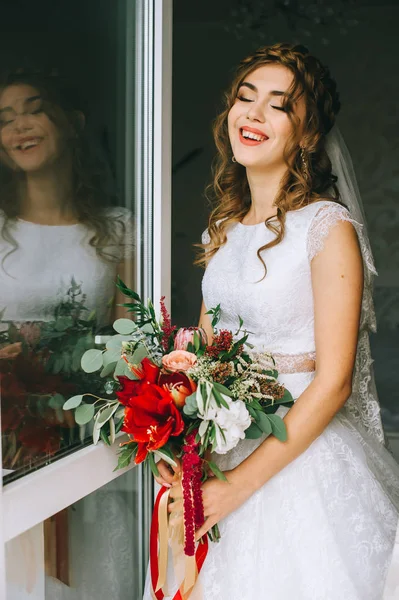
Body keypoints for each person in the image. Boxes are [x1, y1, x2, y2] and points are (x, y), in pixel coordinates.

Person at [146, 43, 399, 600]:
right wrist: (183, 449)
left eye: (278, 105)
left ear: (307, 133)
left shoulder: (327, 228)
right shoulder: (225, 229)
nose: (254, 114)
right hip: (223, 446)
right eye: (245, 97)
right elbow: (205, 361)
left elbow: (333, 383)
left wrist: (234, 488)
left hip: (301, 461)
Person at [0, 69, 133, 470]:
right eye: (4, 120)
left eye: (33, 111)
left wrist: (89, 393)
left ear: (72, 123)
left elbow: (131, 342)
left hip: (85, 429)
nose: (18, 126)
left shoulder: (118, 229)